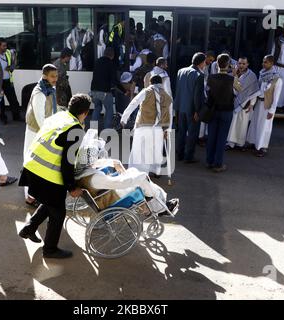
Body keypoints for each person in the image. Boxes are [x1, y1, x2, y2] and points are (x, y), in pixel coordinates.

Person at [18, 94, 91, 259]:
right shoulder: (76, 129)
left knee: (51, 202)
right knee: (58, 212)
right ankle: (50, 250)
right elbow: (67, 162)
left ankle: (28, 229)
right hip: (46, 172)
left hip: (31, 164)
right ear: (85, 113)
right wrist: (71, 187)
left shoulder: (60, 116)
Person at [74, 129, 179, 215]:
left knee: (133, 172)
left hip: (106, 195)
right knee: (142, 180)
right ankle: (160, 208)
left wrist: (114, 162)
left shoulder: (84, 173)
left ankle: (155, 204)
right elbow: (118, 183)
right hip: (111, 200)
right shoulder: (94, 178)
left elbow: (95, 163)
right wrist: (139, 177)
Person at [121, 75, 172, 176]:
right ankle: (155, 170)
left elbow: (133, 103)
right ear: (161, 83)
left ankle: (139, 172)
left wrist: (124, 118)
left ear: (150, 82)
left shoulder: (146, 91)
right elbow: (168, 114)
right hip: (158, 128)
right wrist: (167, 130)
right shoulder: (167, 96)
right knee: (155, 150)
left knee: (139, 150)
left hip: (143, 125)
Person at [23, 64, 59, 206]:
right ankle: (30, 197)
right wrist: (49, 135)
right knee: (33, 164)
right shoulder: (40, 93)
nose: (55, 79)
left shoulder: (49, 88)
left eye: (56, 76)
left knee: (39, 165)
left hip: (43, 131)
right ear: (45, 76)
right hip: (36, 133)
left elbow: (50, 110)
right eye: (52, 76)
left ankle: (34, 194)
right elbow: (39, 119)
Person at [205, 54, 238, 172]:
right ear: (228, 65)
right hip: (226, 112)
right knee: (221, 138)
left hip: (213, 110)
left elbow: (207, 93)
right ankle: (218, 164)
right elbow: (240, 89)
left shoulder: (211, 77)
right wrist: (234, 75)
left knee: (211, 136)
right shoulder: (232, 79)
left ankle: (209, 161)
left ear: (217, 64)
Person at [246, 55, 283, 157]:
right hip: (259, 103)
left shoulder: (277, 78)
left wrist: (272, 111)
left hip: (267, 106)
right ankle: (254, 143)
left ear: (271, 63)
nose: (263, 64)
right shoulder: (262, 73)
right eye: (263, 61)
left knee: (264, 126)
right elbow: (257, 90)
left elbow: (276, 97)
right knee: (255, 123)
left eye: (266, 62)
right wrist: (252, 103)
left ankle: (262, 147)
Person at [174, 52, 206, 163]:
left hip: (181, 106)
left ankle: (180, 154)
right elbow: (198, 96)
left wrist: (176, 107)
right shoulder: (199, 75)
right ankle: (188, 157)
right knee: (192, 133)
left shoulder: (181, 71)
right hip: (192, 109)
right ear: (202, 63)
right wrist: (198, 110)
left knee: (181, 132)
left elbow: (178, 90)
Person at [226, 57, 260, 150]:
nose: (241, 65)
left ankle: (240, 144)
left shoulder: (252, 75)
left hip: (245, 103)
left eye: (243, 64)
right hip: (233, 102)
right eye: (240, 63)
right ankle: (230, 143)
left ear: (247, 64)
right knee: (232, 124)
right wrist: (233, 75)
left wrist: (252, 104)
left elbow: (254, 92)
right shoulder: (233, 73)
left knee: (242, 124)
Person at [0, 38, 22, 124]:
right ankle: (3, 118)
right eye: (3, 46)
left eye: (6, 45)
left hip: (8, 81)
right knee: (1, 101)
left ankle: (16, 116)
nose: (5, 47)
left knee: (13, 100)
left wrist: (11, 67)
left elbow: (14, 63)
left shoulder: (7, 52)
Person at [90, 47, 117, 130]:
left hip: (94, 90)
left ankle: (93, 130)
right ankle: (106, 131)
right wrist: (123, 90)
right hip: (104, 91)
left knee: (97, 108)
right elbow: (114, 80)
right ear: (112, 55)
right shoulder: (110, 63)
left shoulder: (97, 61)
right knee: (109, 110)